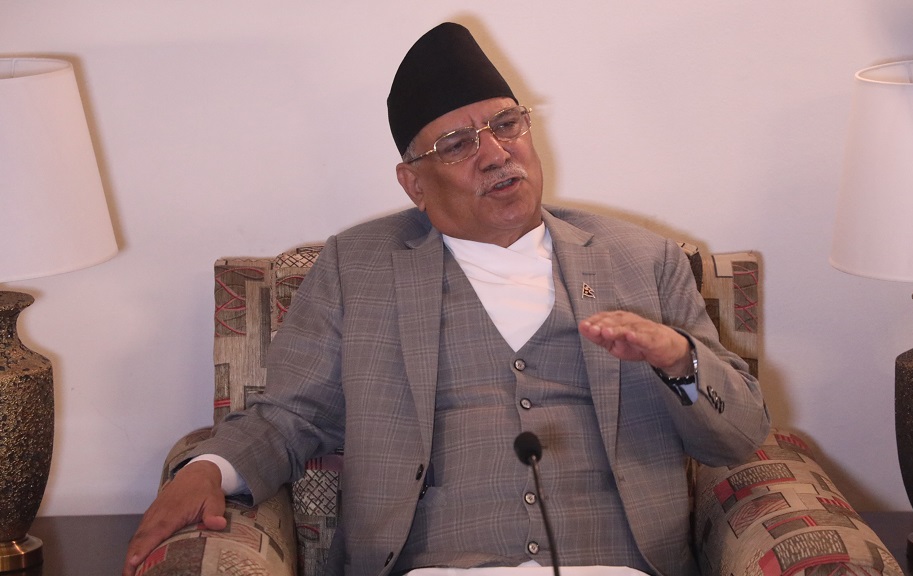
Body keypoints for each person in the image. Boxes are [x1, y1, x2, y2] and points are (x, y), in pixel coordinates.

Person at [124, 22, 769, 576]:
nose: (496, 153)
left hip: (617, 565)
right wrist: (207, 469)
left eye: (506, 125)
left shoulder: (643, 259)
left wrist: (679, 359)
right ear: (414, 184)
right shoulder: (356, 267)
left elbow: (741, 436)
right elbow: (290, 417)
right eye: (457, 145)